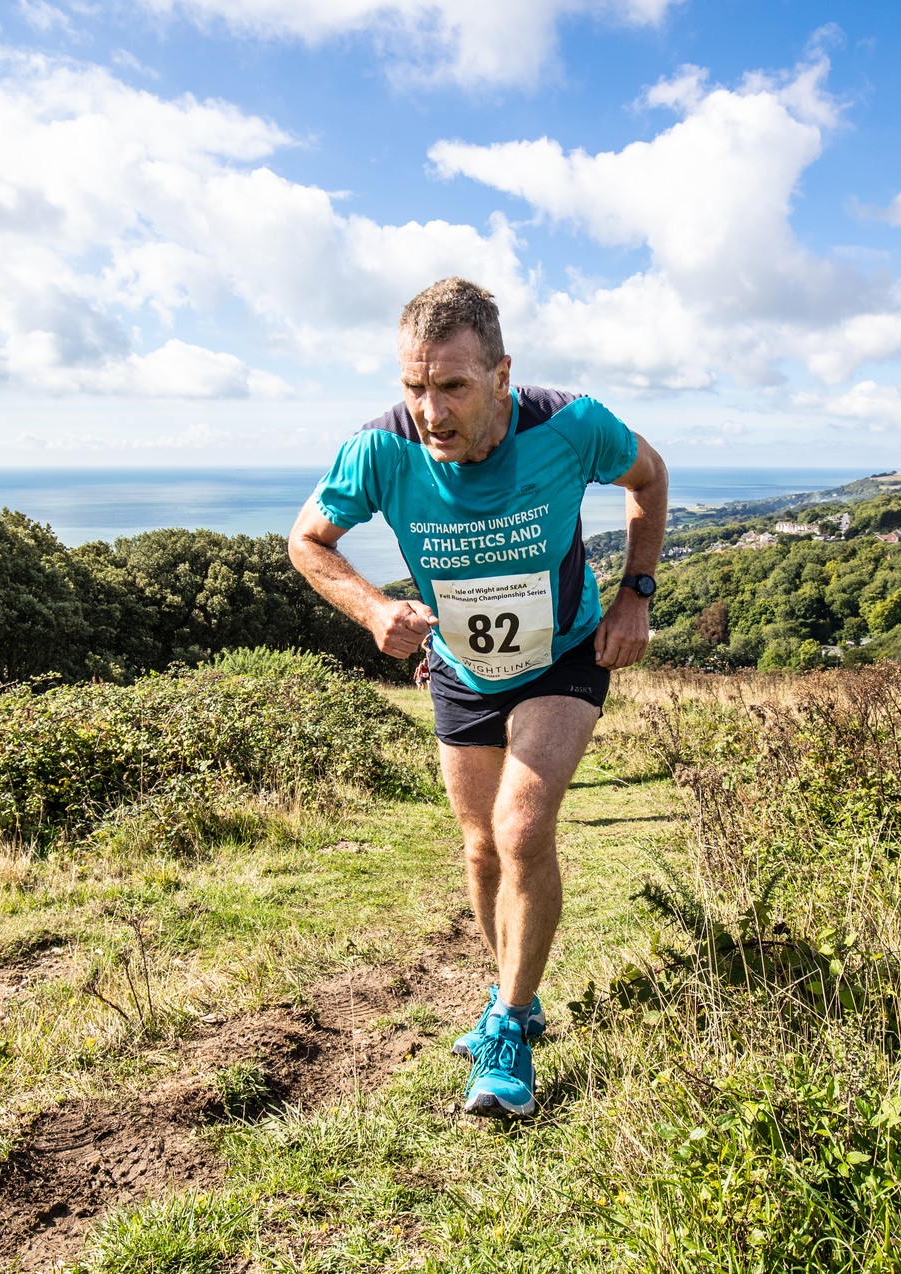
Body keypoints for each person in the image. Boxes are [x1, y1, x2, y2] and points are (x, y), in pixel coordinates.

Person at [288, 277, 668, 1118]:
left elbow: (650, 477)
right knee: (480, 849)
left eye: (452, 385)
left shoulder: (573, 425)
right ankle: (515, 998)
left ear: (501, 375)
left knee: (522, 826)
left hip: (562, 654)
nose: (430, 410)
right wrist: (374, 608)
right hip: (461, 669)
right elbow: (308, 541)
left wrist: (636, 593)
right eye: (414, 386)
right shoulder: (380, 449)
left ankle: (505, 1025)